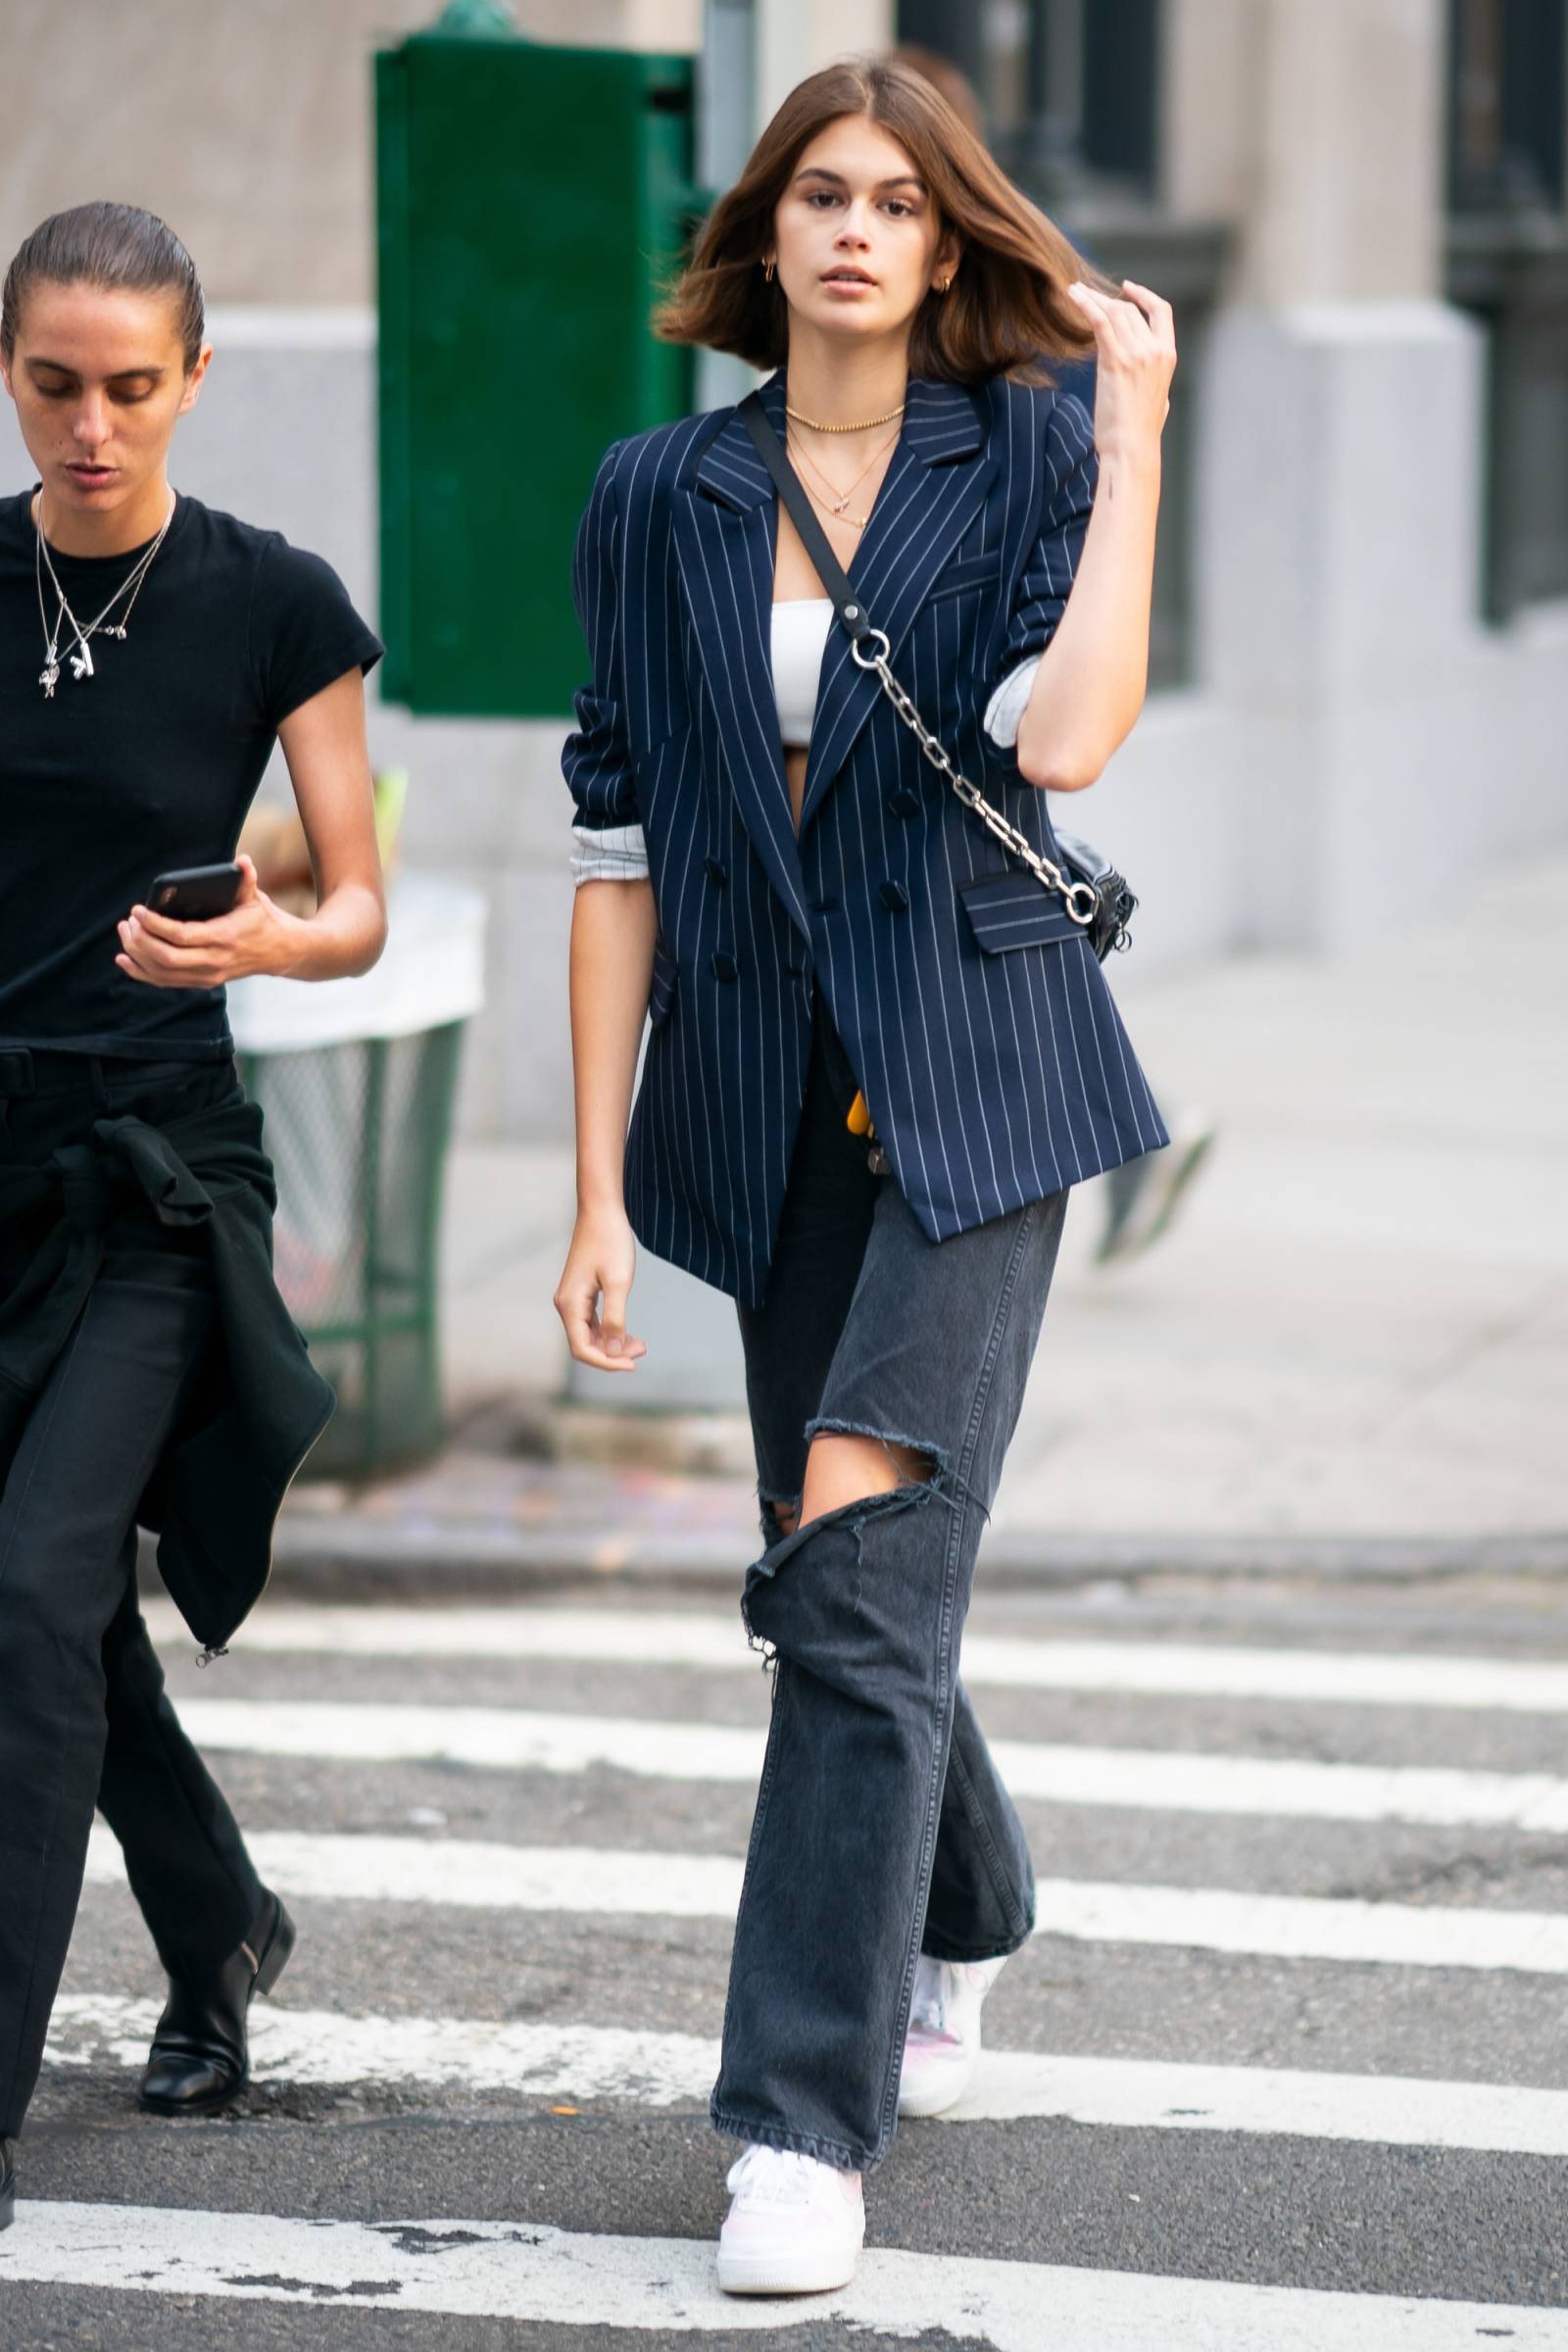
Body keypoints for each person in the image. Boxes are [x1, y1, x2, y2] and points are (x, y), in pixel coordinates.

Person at [555, 58, 1174, 2297]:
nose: (850, 231)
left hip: (979, 1078)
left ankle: (799, 2125)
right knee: (850, 1572)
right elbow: (614, 849)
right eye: (818, 193)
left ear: (944, 249)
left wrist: (1131, 458)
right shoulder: (656, 495)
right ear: (766, 230)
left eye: (898, 207)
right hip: (758, 1092)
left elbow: (1071, 737)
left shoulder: (1012, 450)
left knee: (853, 1536)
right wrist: (596, 1186)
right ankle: (972, 1896)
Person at [0, 202, 386, 2231]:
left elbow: (355, 902)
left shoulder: (273, 604)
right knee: (50, 1612)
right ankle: (219, 1923)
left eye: (130, 385)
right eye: (54, 382)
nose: (90, 424)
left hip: (154, 1172)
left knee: (24, 1588)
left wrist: (259, 945)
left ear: (196, 379)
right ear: (10, 371)